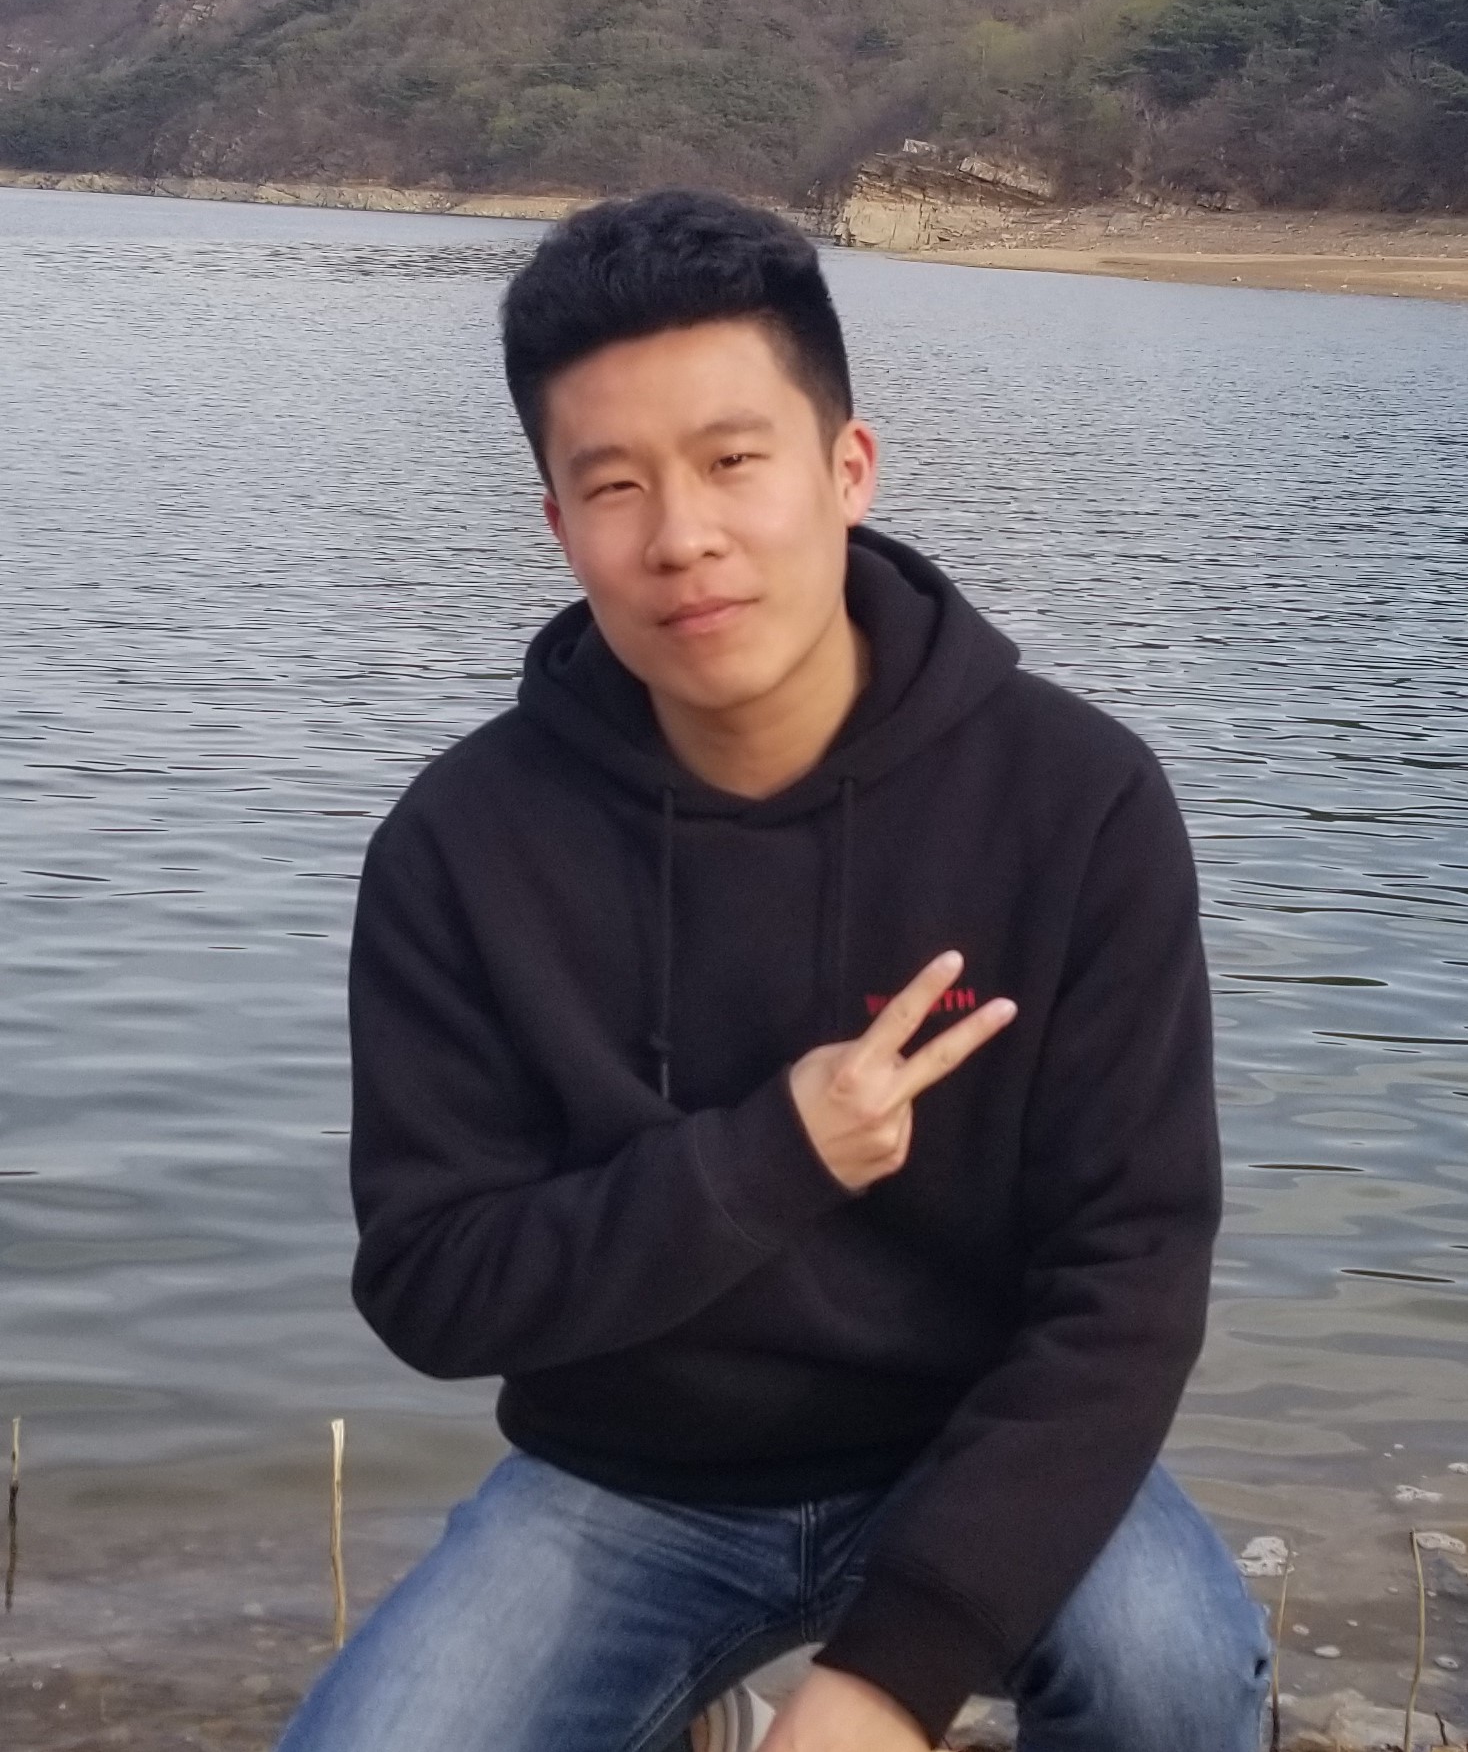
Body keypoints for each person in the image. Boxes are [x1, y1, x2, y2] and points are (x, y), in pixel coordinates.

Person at [273, 189, 1272, 1752]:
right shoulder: (461, 844)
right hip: (625, 1482)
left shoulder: (1077, 803)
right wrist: (773, 1155)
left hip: (967, 1442)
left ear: (846, 466)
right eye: (614, 485)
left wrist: (889, 1678)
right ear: (558, 524)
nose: (683, 536)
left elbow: (1133, 1280)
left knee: (1176, 1671)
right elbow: (432, 1283)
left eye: (735, 460)